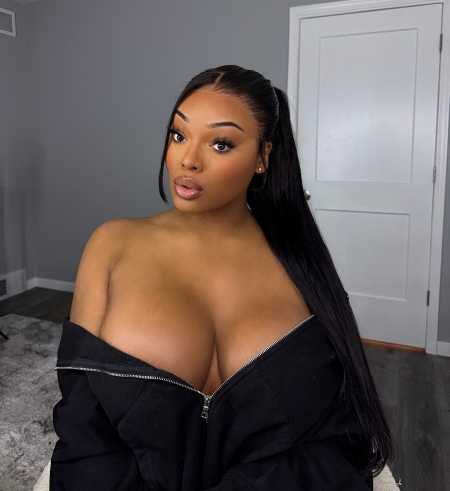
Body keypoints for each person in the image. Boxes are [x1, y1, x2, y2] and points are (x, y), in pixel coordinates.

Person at [51, 65, 393, 490]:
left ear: (263, 157)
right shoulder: (110, 244)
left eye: (220, 143)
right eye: (179, 135)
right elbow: (82, 418)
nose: (188, 159)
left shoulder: (302, 262)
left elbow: (334, 434)